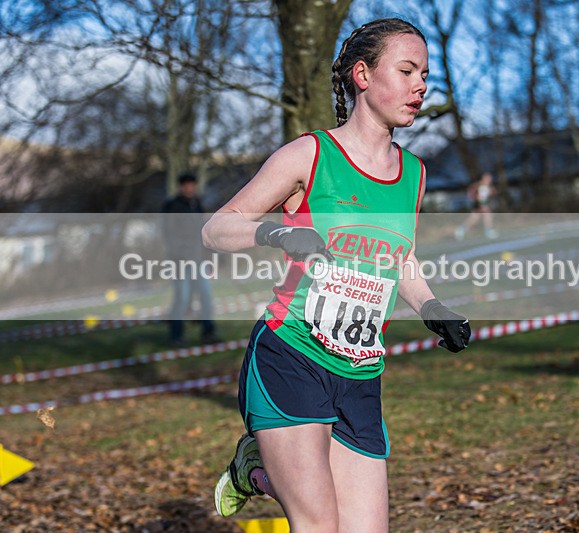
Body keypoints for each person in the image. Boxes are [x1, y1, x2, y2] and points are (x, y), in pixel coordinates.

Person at [201, 18, 471, 531]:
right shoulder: (311, 154)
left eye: (425, 75)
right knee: (318, 523)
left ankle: (255, 469)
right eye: (407, 70)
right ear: (363, 75)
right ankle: (256, 469)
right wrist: (276, 235)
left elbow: (399, 258)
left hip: (361, 373)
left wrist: (433, 308)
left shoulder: (413, 174)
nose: (421, 86)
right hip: (291, 354)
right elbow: (217, 228)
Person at [161, 172, 217, 346]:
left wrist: (209, 256)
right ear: (181, 186)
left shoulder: (197, 204)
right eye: (186, 184)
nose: (190, 188)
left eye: (192, 184)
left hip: (198, 259)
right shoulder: (172, 206)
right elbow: (168, 235)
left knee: (206, 296)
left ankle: (208, 333)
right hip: (179, 261)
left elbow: (203, 233)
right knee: (182, 297)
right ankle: (176, 336)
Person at [455, 172, 499, 240]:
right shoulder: (477, 186)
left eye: (490, 178)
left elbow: (492, 194)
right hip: (477, 204)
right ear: (483, 178)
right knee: (487, 214)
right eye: (487, 178)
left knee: (474, 219)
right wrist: (478, 203)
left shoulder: (489, 187)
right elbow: (472, 195)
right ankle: (488, 231)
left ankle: (461, 229)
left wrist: (493, 193)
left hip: (483, 204)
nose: (489, 180)